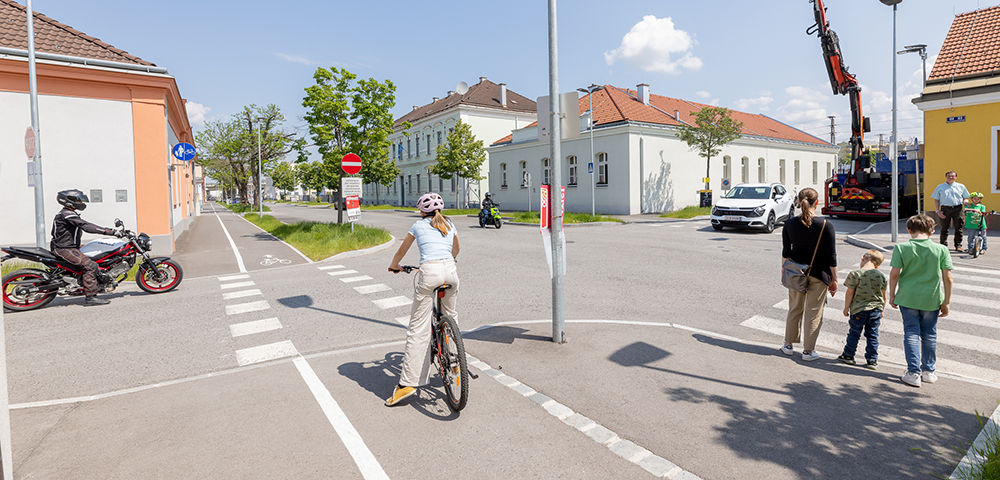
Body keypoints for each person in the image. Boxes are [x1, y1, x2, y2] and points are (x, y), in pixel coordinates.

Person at [385, 192, 460, 406]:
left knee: (418, 328)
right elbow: (457, 249)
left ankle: (408, 383)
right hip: (451, 272)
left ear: (421, 211)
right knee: (451, 316)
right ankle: (456, 363)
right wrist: (451, 259)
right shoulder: (450, 223)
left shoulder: (418, 226)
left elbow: (401, 251)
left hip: (429, 273)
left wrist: (394, 266)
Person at [888, 214, 953, 388]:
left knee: (911, 332)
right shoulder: (941, 250)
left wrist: (892, 294)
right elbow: (948, 278)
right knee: (930, 334)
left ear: (908, 230)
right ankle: (928, 372)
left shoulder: (901, 248)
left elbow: (894, 274)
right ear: (932, 232)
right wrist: (946, 301)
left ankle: (913, 373)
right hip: (931, 299)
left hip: (908, 298)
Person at [780, 188, 838, 361]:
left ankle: (788, 345)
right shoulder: (825, 225)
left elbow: (786, 252)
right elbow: (831, 256)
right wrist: (834, 279)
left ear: (799, 202)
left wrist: (784, 271)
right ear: (817, 202)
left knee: (794, 309)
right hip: (819, 274)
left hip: (796, 273)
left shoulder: (789, 224)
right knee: (813, 312)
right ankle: (808, 351)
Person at [50, 189, 119, 306]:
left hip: (69, 246)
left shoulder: (68, 213)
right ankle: (91, 297)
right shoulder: (66, 214)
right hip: (64, 248)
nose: (81, 203)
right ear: (69, 201)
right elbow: (86, 226)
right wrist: (110, 231)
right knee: (91, 266)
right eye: (79, 200)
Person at [836, 249, 887, 370]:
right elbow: (884, 295)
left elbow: (850, 292)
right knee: (873, 335)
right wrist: (882, 310)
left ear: (862, 258)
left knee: (854, 333)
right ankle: (872, 360)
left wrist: (846, 308)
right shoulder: (881, 276)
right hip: (875, 310)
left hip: (859, 310)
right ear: (878, 265)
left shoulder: (855, 274)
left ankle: (848, 356)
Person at [931, 171, 971, 251]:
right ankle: (943, 245)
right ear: (946, 177)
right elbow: (936, 200)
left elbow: (965, 197)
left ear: (956, 177)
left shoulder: (961, 186)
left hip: (958, 209)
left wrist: (966, 202)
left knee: (958, 228)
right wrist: (938, 211)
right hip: (945, 209)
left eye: (953, 176)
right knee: (944, 228)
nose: (951, 177)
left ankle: (958, 245)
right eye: (949, 176)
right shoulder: (940, 187)